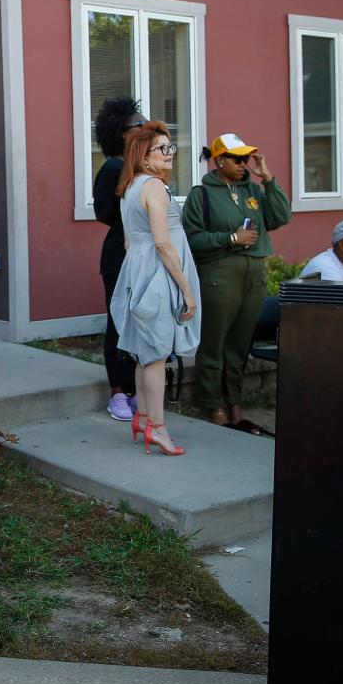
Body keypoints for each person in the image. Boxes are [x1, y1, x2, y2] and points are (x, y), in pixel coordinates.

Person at [181, 133, 291, 436]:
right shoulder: (201, 194)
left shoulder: (252, 190)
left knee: (241, 343)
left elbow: (281, 216)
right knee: (216, 342)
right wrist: (230, 238)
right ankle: (212, 403)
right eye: (238, 159)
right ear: (220, 160)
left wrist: (268, 178)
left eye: (247, 158)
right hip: (220, 273)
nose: (244, 164)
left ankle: (235, 403)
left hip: (254, 271)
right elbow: (192, 239)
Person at [110, 123, 201, 457]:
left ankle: (144, 418)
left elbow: (129, 241)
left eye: (170, 147)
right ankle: (158, 428)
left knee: (144, 351)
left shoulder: (131, 187)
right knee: (157, 355)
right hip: (159, 276)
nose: (169, 154)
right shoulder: (155, 188)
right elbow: (163, 242)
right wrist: (186, 289)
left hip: (138, 271)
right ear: (144, 157)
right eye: (162, 149)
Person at [93, 97, 147, 421]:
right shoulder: (115, 166)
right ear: (122, 133)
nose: (145, 129)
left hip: (143, 254)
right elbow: (104, 212)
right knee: (119, 322)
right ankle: (118, 393)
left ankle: (136, 388)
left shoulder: (144, 167)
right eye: (138, 125)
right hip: (119, 254)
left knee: (140, 322)